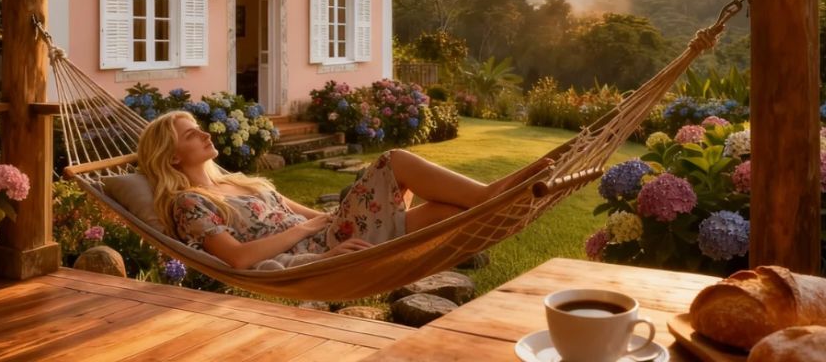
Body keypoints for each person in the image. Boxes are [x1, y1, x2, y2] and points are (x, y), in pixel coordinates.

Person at [138, 110, 552, 269]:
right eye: (192, 134)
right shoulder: (190, 203)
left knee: (446, 214)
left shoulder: (236, 181)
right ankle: (489, 195)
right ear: (173, 158)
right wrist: (315, 243)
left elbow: (299, 209)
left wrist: (325, 222)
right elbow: (239, 258)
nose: (205, 134)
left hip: (334, 230)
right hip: (322, 245)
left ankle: (497, 203)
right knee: (394, 160)